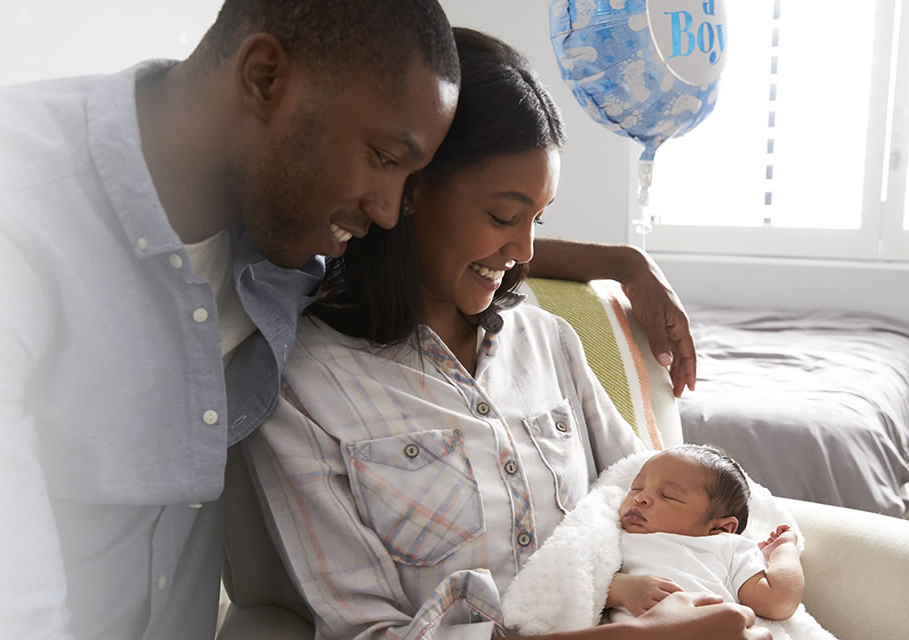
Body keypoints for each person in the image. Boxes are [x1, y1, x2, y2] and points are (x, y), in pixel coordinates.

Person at [0, 2, 701, 638]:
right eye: (384, 159)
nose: (387, 210)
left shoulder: (287, 225)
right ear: (263, 78)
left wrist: (623, 262)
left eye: (407, 179)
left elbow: (448, 238)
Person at [244, 27, 764, 640]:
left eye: (538, 219)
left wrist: (766, 561)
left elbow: (642, 489)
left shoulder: (547, 340)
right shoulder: (306, 384)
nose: (523, 251)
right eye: (503, 216)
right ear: (409, 190)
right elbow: (368, 631)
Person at [608, 445, 806, 622]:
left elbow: (778, 602)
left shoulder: (726, 546)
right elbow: (584, 585)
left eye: (668, 496)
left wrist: (784, 548)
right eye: (636, 488)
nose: (640, 498)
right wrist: (622, 589)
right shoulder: (612, 537)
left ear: (719, 528)